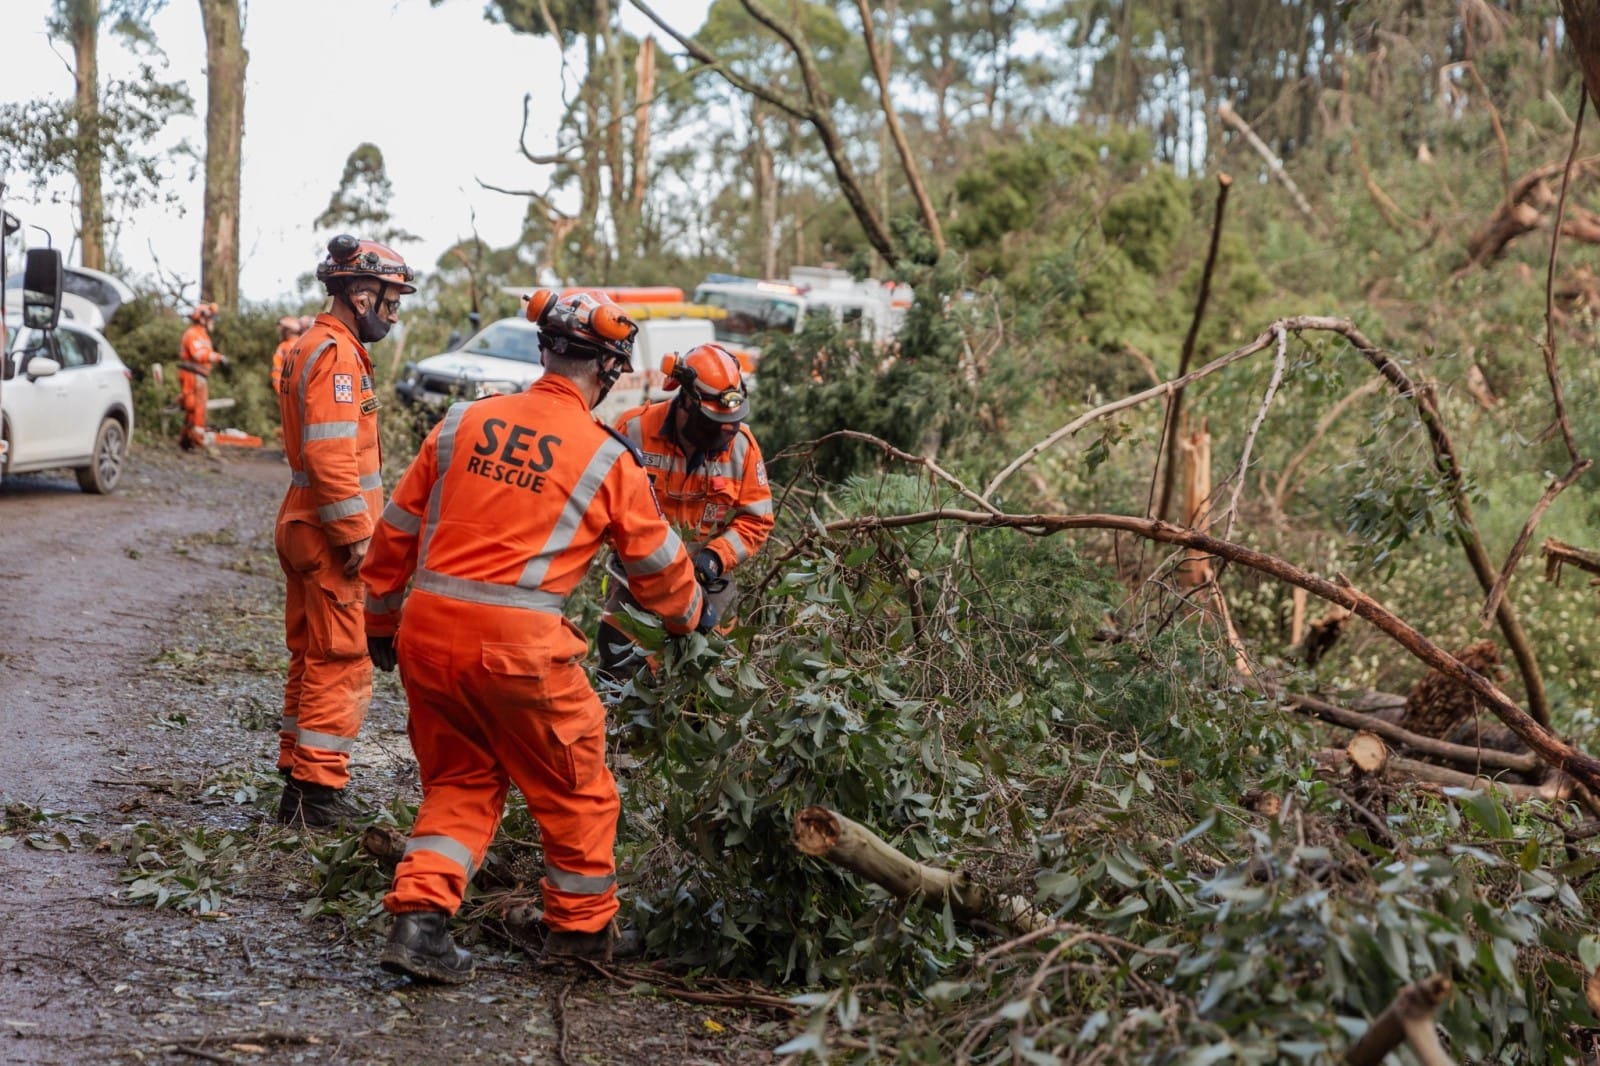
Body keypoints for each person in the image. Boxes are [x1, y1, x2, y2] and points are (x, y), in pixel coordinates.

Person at [362, 289, 715, 984]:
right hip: (519, 648)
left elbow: (394, 532)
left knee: (461, 780)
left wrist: (380, 623)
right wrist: (691, 615)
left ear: (542, 350)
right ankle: (582, 935)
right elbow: (657, 568)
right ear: (610, 370)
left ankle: (420, 922)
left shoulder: (463, 423)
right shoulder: (606, 458)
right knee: (576, 786)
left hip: (427, 638)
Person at [274, 235, 416, 829]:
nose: (393, 311)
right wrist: (359, 538)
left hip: (305, 522)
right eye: (389, 299)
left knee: (311, 655)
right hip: (330, 534)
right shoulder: (335, 353)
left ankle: (296, 784)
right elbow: (332, 454)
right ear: (360, 294)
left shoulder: (313, 345)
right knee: (342, 658)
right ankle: (318, 794)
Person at [596, 342, 773, 682]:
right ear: (687, 403)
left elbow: (757, 519)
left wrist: (715, 557)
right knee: (621, 671)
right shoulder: (634, 431)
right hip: (636, 577)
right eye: (714, 423)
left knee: (710, 678)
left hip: (707, 580)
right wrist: (637, 551)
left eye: (732, 422)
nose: (725, 433)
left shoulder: (742, 448)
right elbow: (602, 507)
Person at [177, 302, 226, 450]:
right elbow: (198, 354)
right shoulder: (193, 334)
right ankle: (197, 439)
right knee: (198, 407)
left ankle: (187, 439)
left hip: (199, 375)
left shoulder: (202, 335)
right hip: (192, 374)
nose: (212, 322)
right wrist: (219, 358)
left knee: (193, 407)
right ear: (203, 319)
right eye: (210, 319)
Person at [270, 315, 303, 396]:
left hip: (287, 392)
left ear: (287, 331)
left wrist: (280, 391)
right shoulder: (305, 343)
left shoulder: (283, 347)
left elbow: (276, 370)